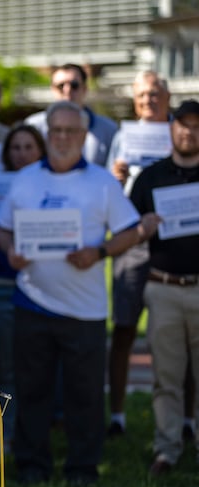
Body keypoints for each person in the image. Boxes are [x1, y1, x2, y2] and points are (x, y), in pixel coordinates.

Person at [0, 101, 147, 485]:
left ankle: (83, 467)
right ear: (47, 134)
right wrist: (11, 250)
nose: (62, 138)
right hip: (32, 301)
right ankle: (31, 465)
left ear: (83, 136)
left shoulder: (102, 181)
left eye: (70, 131)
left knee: (85, 394)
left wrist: (98, 252)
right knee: (33, 390)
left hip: (86, 308)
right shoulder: (26, 179)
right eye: (56, 131)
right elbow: (3, 228)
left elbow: (131, 231)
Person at [104, 71, 196, 438]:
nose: (149, 100)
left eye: (155, 93)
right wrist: (115, 176)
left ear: (167, 97)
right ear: (134, 100)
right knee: (125, 327)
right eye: (142, 95)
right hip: (134, 242)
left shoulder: (185, 135)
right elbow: (112, 197)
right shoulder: (123, 137)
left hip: (178, 246)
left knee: (186, 338)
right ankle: (118, 415)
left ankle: (187, 419)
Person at [129, 99, 199, 476]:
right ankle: (167, 449)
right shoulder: (151, 177)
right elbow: (127, 228)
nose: (190, 131)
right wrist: (143, 228)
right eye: (183, 124)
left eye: (197, 125)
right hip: (164, 287)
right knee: (166, 376)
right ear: (171, 127)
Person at [0, 124, 46, 455]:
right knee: (4, 367)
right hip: (0, 286)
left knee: (36, 367)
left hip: (41, 287)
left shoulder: (49, 186)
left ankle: (32, 435)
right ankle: (4, 439)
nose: (22, 154)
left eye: (29, 147)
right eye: (16, 148)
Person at [25, 63, 117, 166]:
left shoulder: (108, 129)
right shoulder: (33, 126)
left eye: (74, 85)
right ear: (52, 89)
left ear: (85, 89)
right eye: (60, 86)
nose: (67, 91)